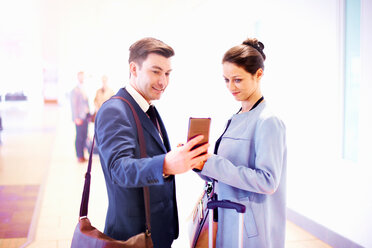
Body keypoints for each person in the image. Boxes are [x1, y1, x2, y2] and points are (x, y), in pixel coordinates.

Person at [94, 37, 210, 248]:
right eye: (155, 71)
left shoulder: (148, 107)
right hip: (133, 236)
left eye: (167, 74)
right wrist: (165, 163)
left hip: (156, 231)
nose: (163, 82)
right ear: (134, 69)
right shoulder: (115, 110)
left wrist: (175, 157)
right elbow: (118, 169)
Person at [194, 38, 287, 248]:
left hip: (249, 227)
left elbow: (267, 181)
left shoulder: (268, 121)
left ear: (259, 75)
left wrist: (212, 163)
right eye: (226, 80)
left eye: (237, 80)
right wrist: (199, 163)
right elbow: (227, 170)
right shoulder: (237, 117)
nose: (230, 87)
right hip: (228, 218)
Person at [70, 71, 90, 163]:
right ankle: (79, 155)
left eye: (83, 76)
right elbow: (74, 106)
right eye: (80, 77)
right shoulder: (75, 90)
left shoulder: (85, 88)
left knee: (84, 135)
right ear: (78, 78)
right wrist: (76, 118)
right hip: (79, 117)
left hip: (85, 116)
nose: (82, 78)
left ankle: (82, 154)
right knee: (79, 136)